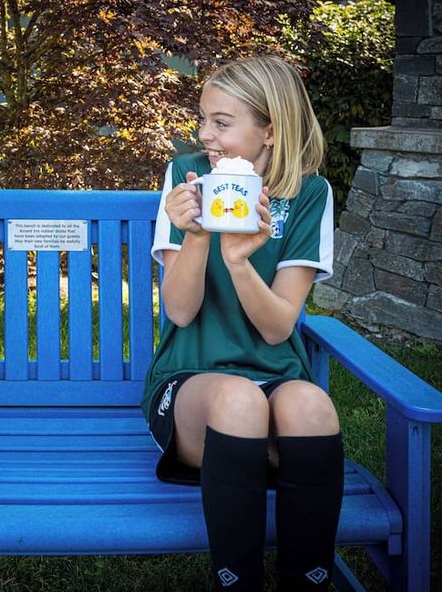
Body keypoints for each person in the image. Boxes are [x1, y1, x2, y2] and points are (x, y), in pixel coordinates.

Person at [142, 56, 340, 591]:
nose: (204, 134)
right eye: (203, 119)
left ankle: (309, 580)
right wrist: (197, 235)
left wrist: (238, 262)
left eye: (221, 123)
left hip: (275, 374)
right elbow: (180, 312)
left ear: (270, 130)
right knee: (239, 400)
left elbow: (278, 329)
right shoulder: (186, 177)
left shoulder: (309, 194)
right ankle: (238, 580)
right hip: (191, 381)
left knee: (311, 406)